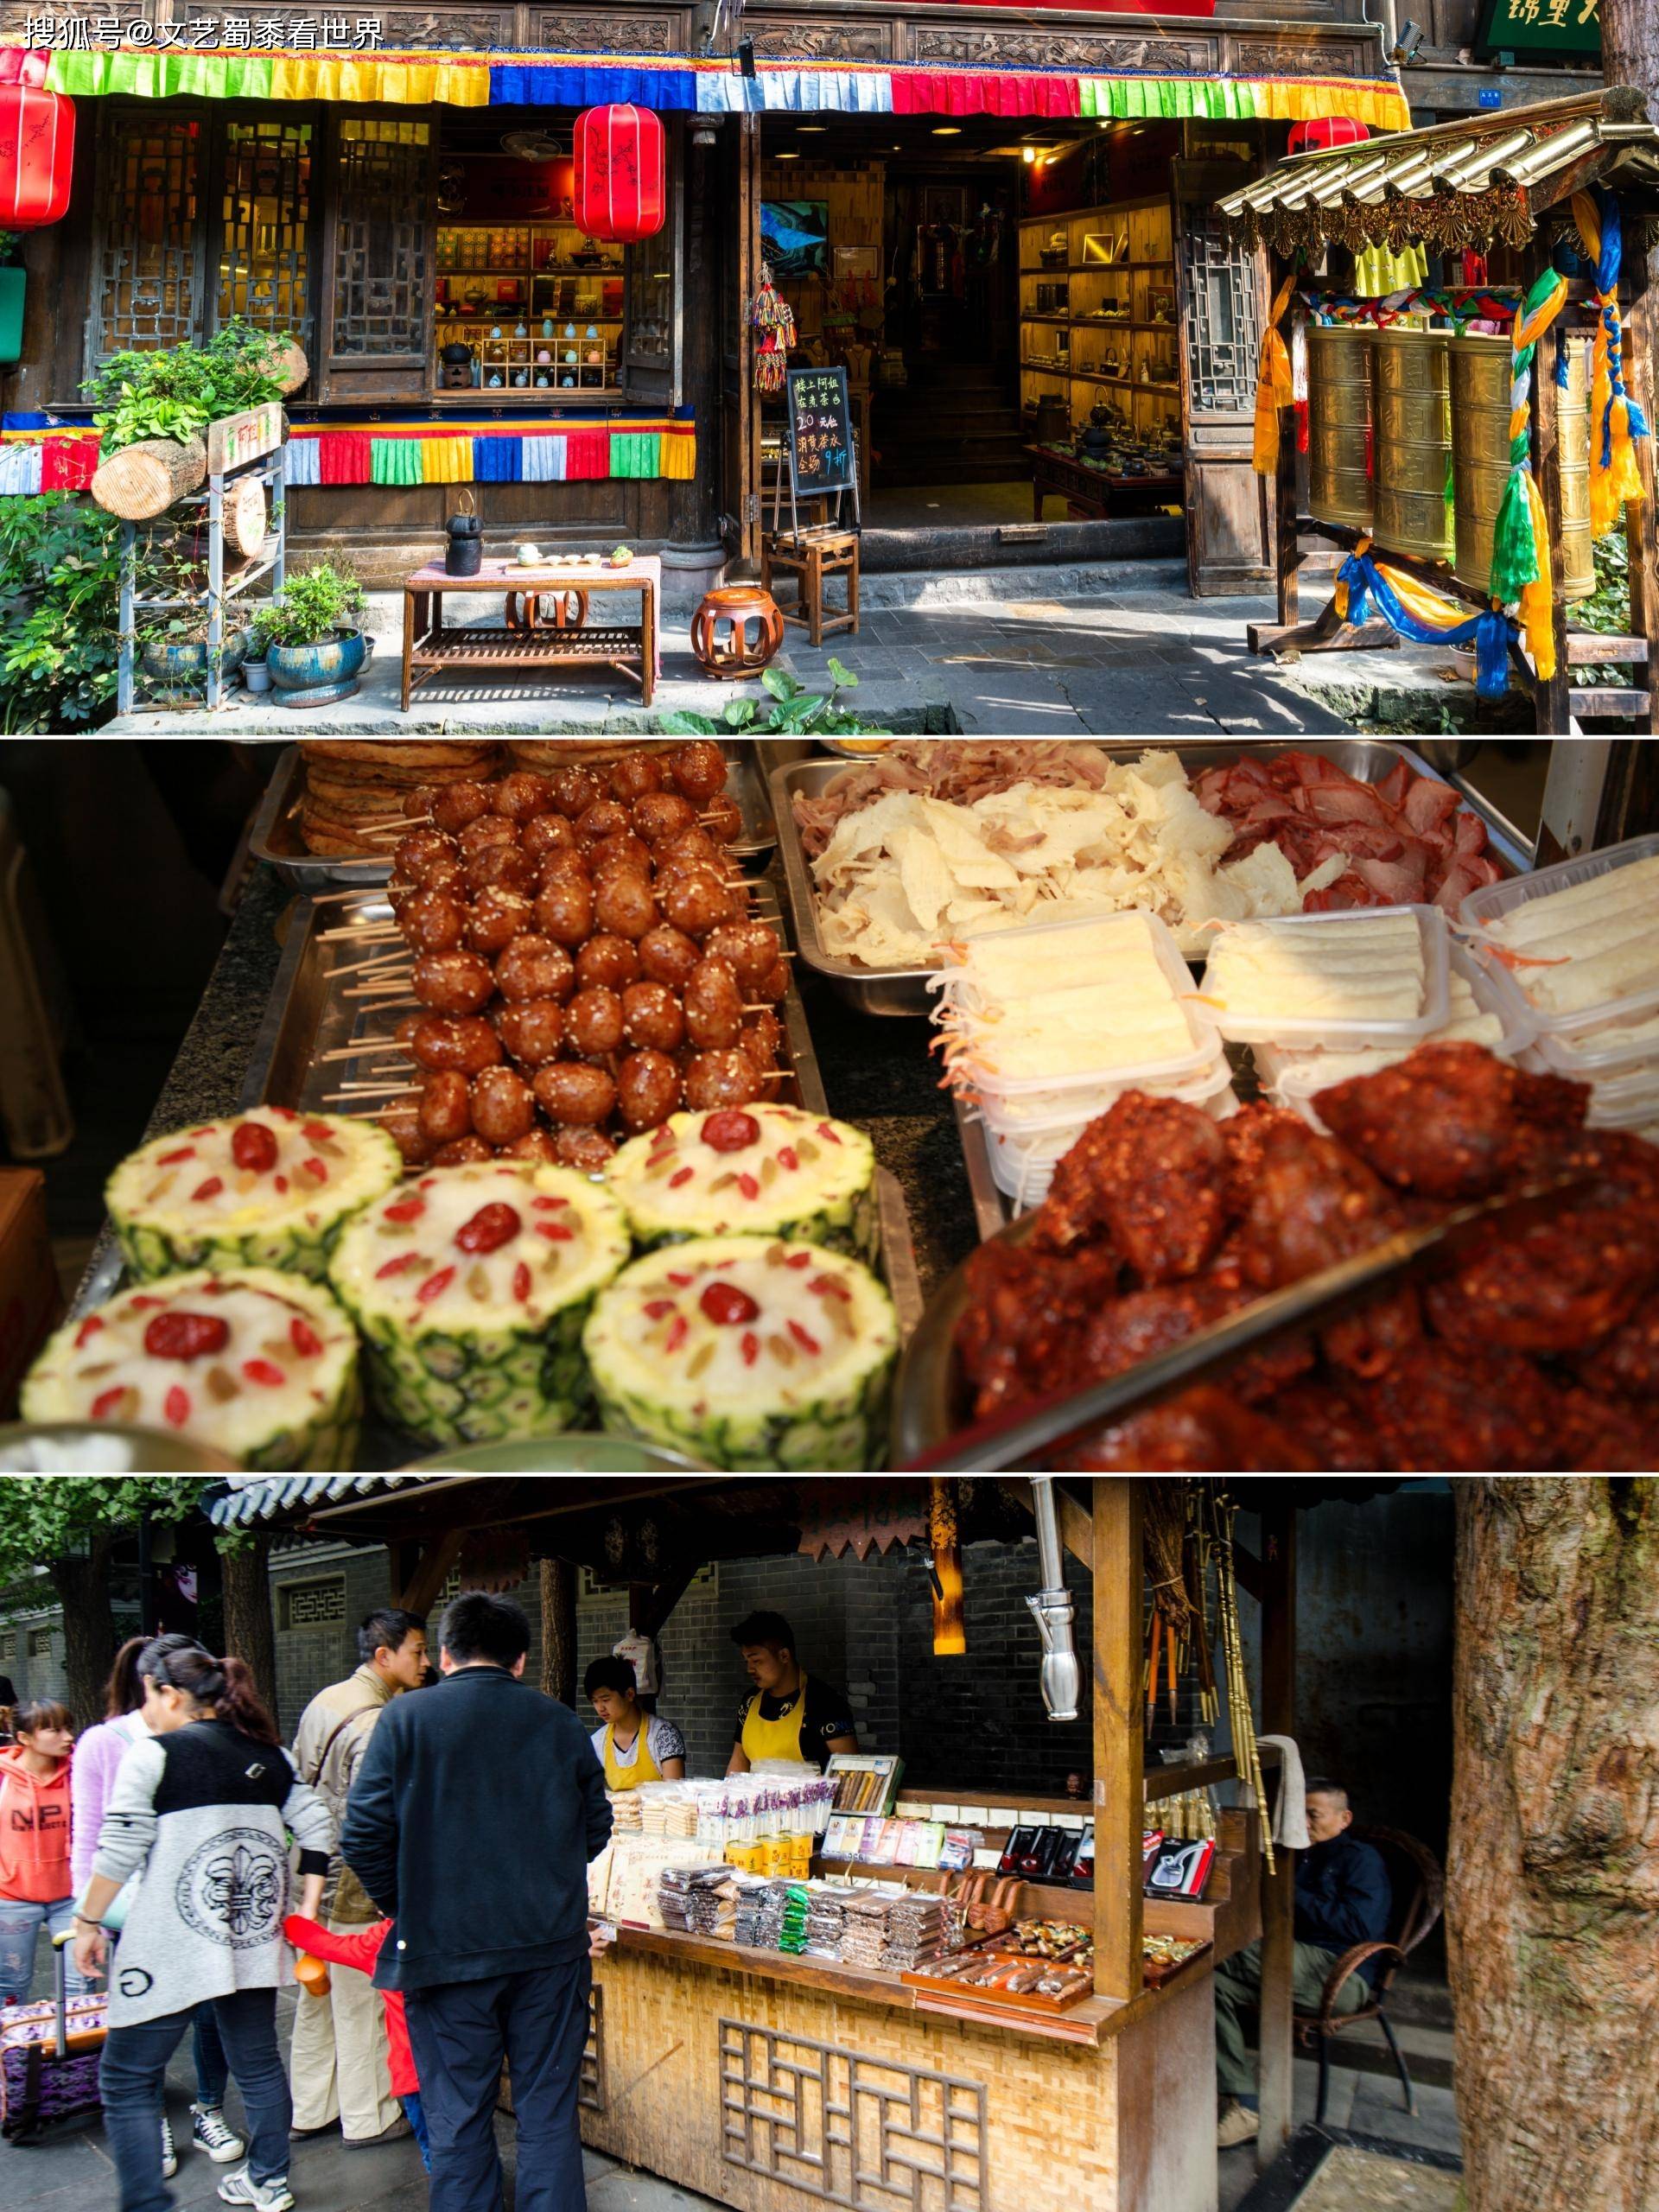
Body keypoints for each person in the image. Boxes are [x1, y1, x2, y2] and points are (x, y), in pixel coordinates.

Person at [340, 1592, 613, 2212]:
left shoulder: (406, 1720)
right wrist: (546, 1878)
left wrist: (408, 1904)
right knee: (548, 2111)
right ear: (520, 1660)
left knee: (458, 2114)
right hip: (549, 1950)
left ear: (444, 1654)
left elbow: (361, 1833)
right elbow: (596, 1826)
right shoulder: (559, 1722)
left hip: (445, 1953)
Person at [71, 1637, 334, 2212]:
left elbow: (117, 1851)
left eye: (149, 1694)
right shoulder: (270, 1757)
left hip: (169, 1946)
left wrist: (88, 1920)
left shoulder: (156, 1754)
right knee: (259, 2062)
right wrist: (304, 1914)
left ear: (166, 1692)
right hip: (252, 1942)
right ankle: (269, 2179)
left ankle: (147, 2203)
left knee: (126, 2076)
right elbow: (319, 1832)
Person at [72, 1637, 246, 2177]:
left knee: (211, 2017)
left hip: (203, 1909)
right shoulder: (105, 1743)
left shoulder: (209, 1736)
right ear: (158, 1688)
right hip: (135, 1912)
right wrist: (88, 1919)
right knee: (144, 2019)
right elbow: (90, 1836)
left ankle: (208, 2109)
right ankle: (153, 2125)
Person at [288, 1605, 428, 2148]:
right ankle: (368, 2116)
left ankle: (311, 2108)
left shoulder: (327, 1700)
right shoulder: (375, 1721)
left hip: (314, 1870)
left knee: (316, 1999)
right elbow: (378, 1818)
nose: (422, 1660)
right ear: (383, 1655)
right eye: (416, 1650)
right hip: (356, 1879)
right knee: (361, 2000)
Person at [1215, 1778, 1392, 2150]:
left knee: (1215, 1948)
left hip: (1336, 1971)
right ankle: (1245, 2105)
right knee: (1206, 1985)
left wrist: (1288, 1894)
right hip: (1284, 1960)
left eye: (1313, 1815)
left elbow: (1359, 1925)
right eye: (1300, 1816)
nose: (1305, 1824)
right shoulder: (1292, 1855)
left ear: (1344, 1819)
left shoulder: (1360, 1859)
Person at [280, 1912, 429, 2172]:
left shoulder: (383, 1938)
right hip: (463, 2065)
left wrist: (295, 1923)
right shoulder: (456, 1926)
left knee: (436, 2152)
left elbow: (327, 1945)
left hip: (414, 2073)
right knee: (471, 2140)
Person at [0, 1696, 89, 2007]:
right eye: (54, 1730)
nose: (68, 1737)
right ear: (24, 1738)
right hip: (11, 1899)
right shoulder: (3, 1776)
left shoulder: (81, 1771)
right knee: (9, 1988)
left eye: (68, 1728)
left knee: (80, 1983)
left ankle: (78, 2057)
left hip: (72, 1897)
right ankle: (10, 2054)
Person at [725, 1611, 858, 1776]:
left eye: (756, 1661)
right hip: (756, 1799)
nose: (750, 1669)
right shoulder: (750, 1701)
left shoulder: (823, 1701)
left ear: (784, 1655)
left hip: (811, 1800)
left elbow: (850, 1769)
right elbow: (739, 1759)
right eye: (747, 1661)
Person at [584, 1656, 686, 1790]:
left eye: (605, 1699)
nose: (600, 1708)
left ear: (629, 1694)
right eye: (595, 1701)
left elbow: (674, 1795)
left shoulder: (664, 1735)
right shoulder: (597, 1742)